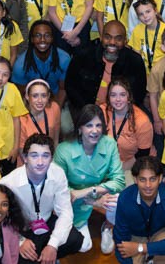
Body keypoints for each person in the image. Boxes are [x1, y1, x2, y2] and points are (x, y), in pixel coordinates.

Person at [0, 133, 88, 263]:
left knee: (76, 240)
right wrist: (19, 241)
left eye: (45, 156)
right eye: (34, 155)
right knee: (18, 260)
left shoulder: (58, 174)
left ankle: (46, 256)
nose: (40, 162)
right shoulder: (8, 183)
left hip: (45, 222)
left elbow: (65, 212)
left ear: (51, 158)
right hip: (21, 229)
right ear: (24, 158)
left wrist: (52, 245)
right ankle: (42, 258)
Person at [52, 103, 125, 254]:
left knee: (119, 198)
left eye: (99, 125)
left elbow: (119, 180)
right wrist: (91, 200)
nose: (95, 131)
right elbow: (57, 189)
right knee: (84, 246)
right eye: (89, 125)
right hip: (72, 200)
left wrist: (90, 192)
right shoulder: (64, 150)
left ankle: (108, 227)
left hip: (92, 192)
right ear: (79, 128)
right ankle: (79, 222)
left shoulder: (109, 143)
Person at [111, 156, 165, 264]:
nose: (148, 185)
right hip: (135, 237)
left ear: (160, 178)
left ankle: (151, 259)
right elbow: (120, 239)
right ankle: (148, 257)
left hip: (159, 234)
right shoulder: (125, 198)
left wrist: (141, 248)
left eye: (153, 179)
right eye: (143, 179)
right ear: (135, 179)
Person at [63, 20, 147, 119]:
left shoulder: (134, 61)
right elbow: (71, 86)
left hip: (121, 114)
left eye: (118, 39)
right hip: (85, 112)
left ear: (125, 41)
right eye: (108, 37)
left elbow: (138, 94)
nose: (112, 42)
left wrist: (119, 113)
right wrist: (87, 112)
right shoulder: (84, 55)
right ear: (101, 37)